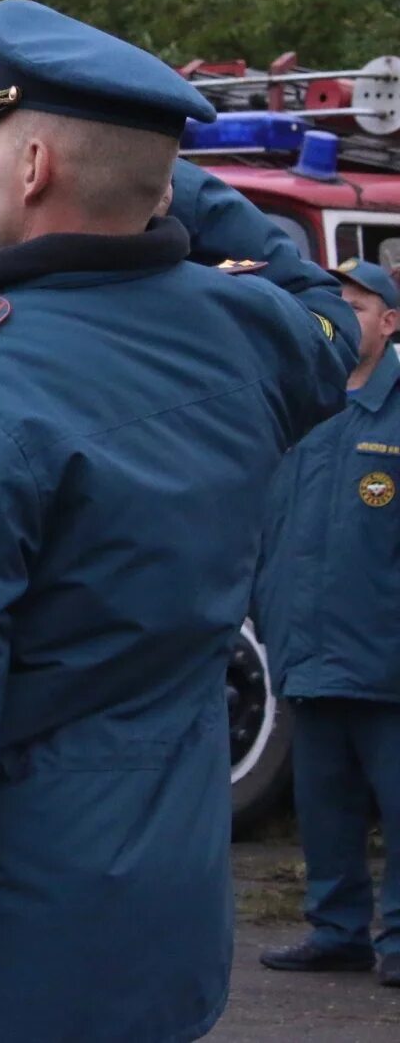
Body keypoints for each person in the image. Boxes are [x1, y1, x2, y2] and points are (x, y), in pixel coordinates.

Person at [0, 0, 360, 1043]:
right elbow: (325, 313)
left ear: (30, 171)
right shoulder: (238, 332)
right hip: (162, 934)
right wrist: (161, 168)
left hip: (7, 960)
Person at [253, 258, 400, 989]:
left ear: (390, 321)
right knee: (326, 805)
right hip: (307, 650)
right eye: (334, 303)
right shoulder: (301, 403)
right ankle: (338, 929)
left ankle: (399, 940)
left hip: (387, 656)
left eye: (360, 304)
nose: (344, 315)